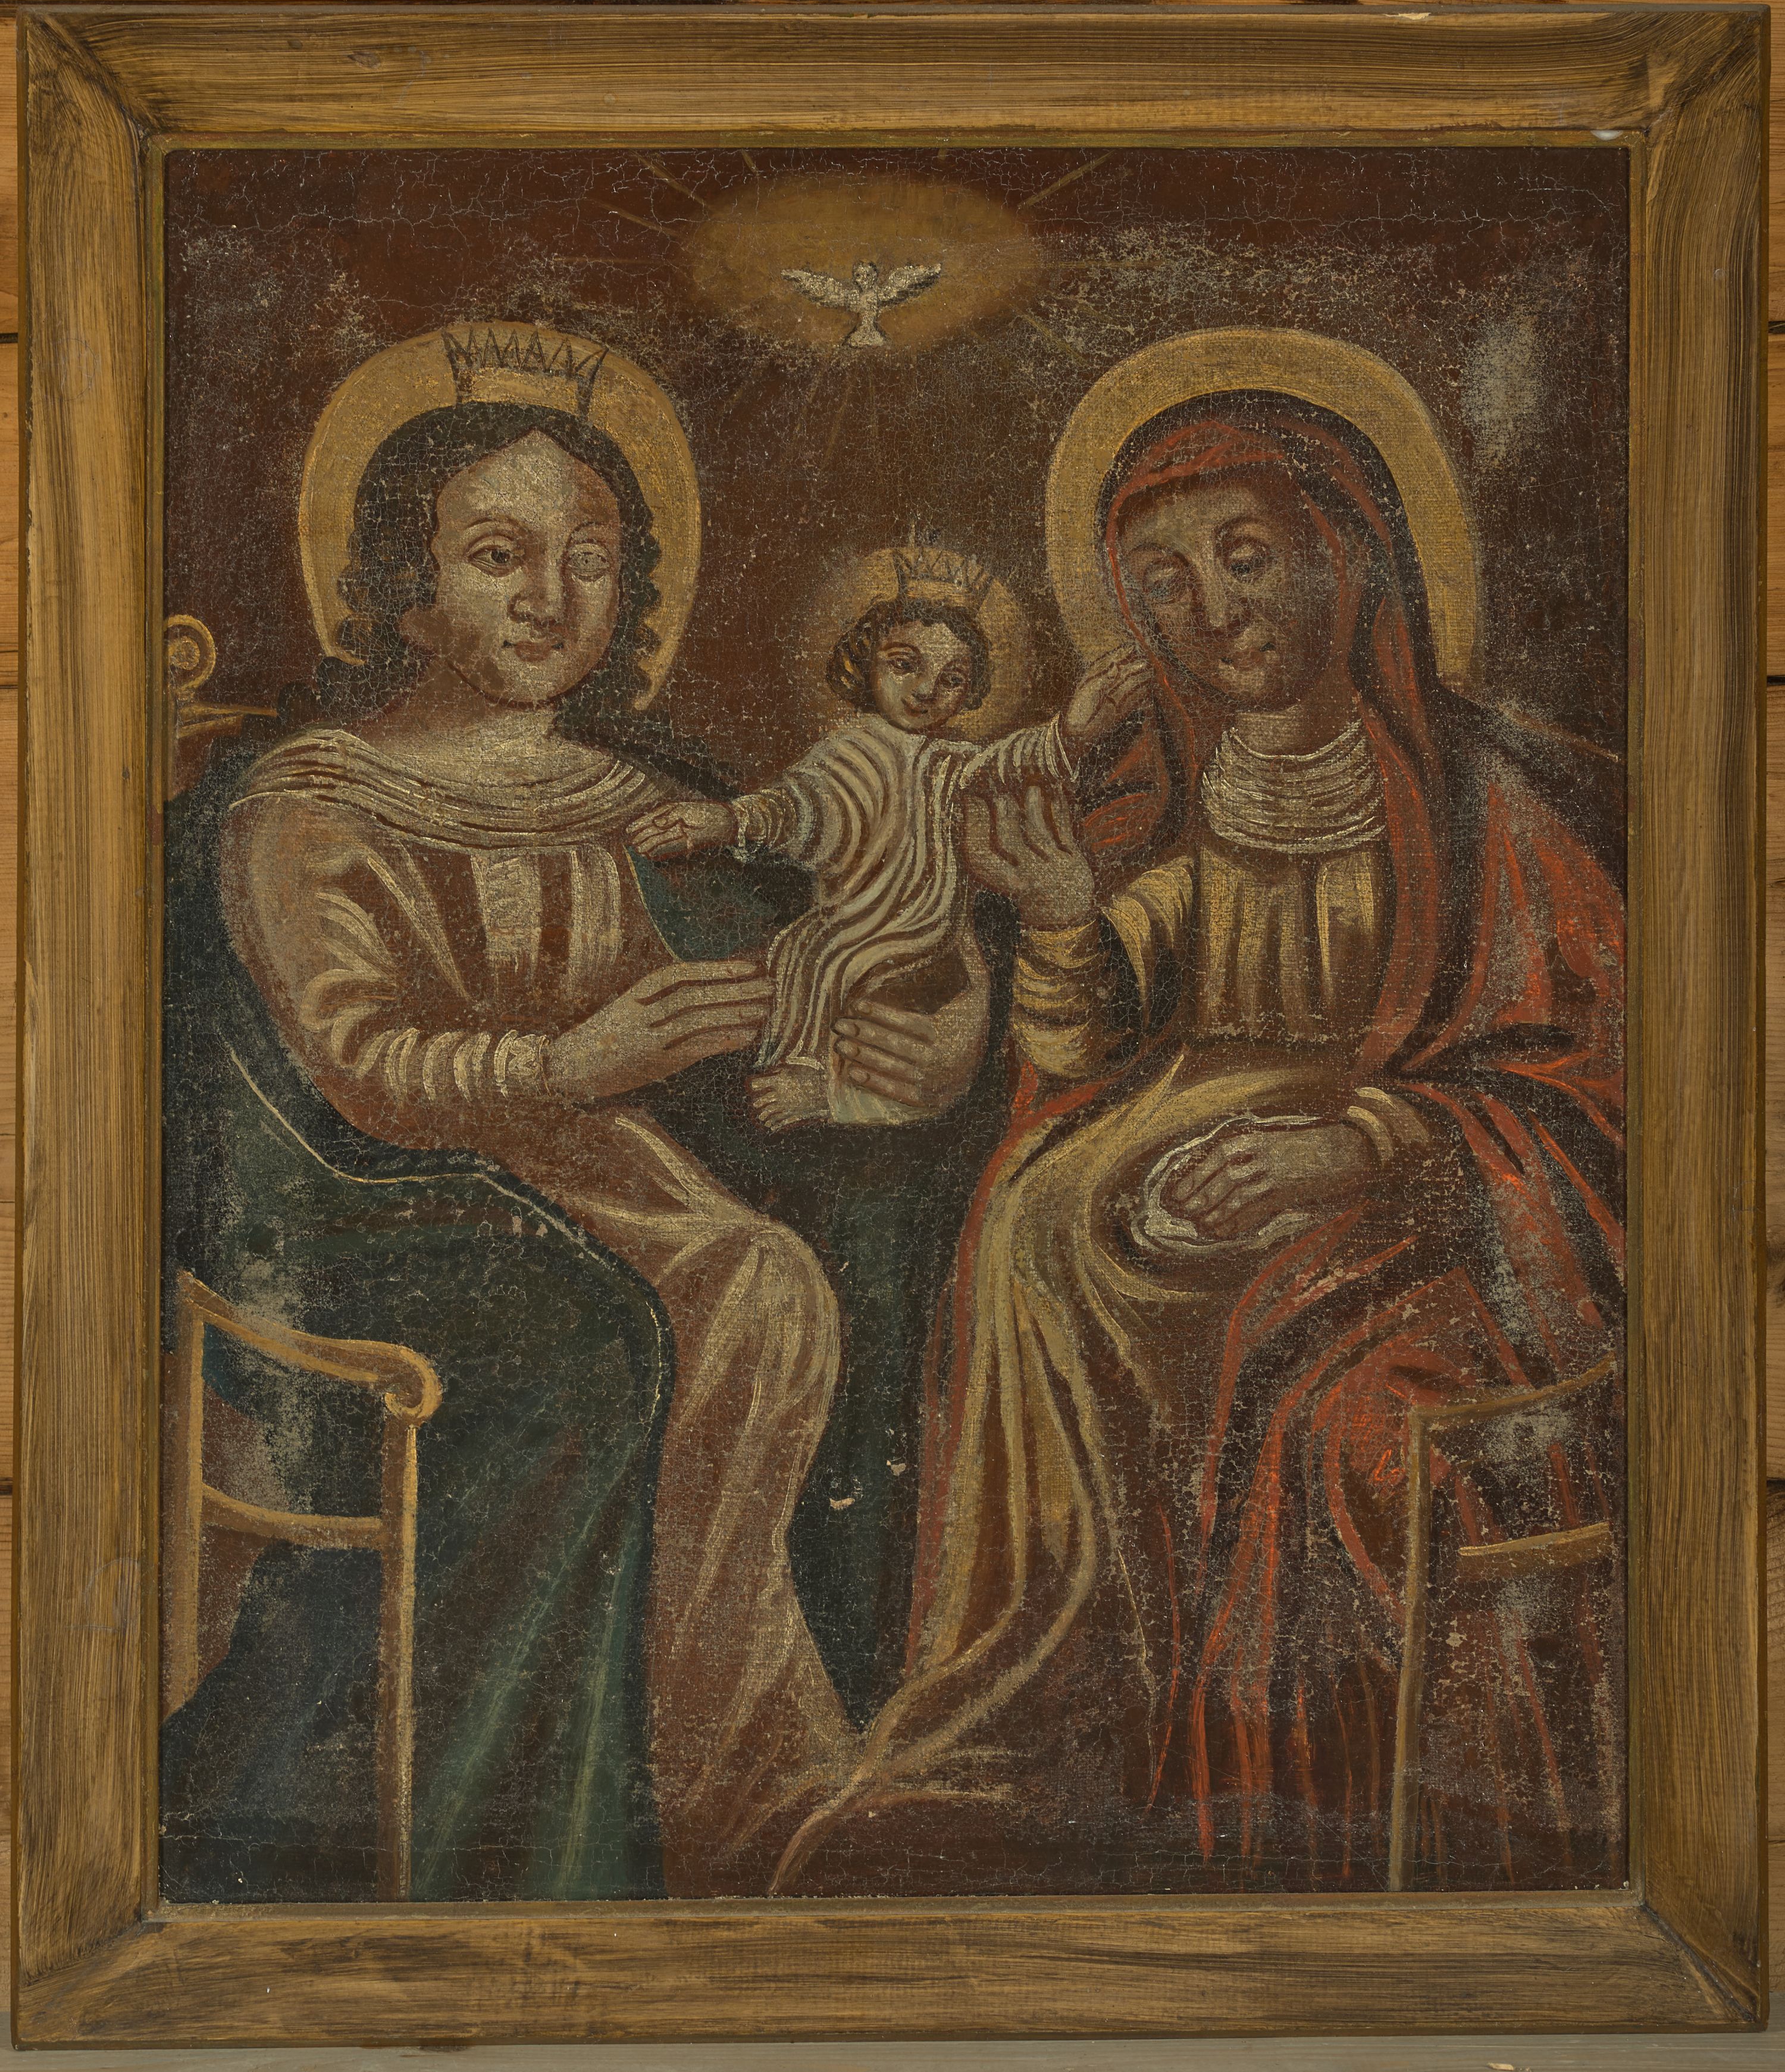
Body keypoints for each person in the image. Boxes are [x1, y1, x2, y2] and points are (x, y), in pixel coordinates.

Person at [776, 384, 1627, 1899]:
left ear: (1346, 552)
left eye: (1246, 555)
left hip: (1407, 1208)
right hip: (1198, 1141)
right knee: (1033, 1212)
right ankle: (1053, 1716)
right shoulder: (1174, 778)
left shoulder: (1486, 796)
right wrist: (1057, 915)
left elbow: (1586, 1084)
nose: (1212, 608)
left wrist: (1363, 1139)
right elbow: (1083, 1038)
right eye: (1164, 580)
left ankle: (1247, 1776)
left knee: (1260, 1344)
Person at [168, 341, 975, 1900]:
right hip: (384, 1202)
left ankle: (711, 1760)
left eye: (589, 559)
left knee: (784, 1274)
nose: (552, 597)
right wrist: (573, 1060)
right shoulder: (311, 804)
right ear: (405, 593)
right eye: (498, 556)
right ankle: (590, 1794)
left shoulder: (618, 795)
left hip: (590, 1165)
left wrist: (860, 1011)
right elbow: (355, 1064)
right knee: (663, 1318)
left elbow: (726, 970)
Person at [630, 543, 1145, 1132]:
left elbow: (1008, 767)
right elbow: (800, 809)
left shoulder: (957, 763)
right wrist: (729, 821)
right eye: (906, 665)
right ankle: (809, 1077)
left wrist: (1067, 734)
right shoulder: (848, 751)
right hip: (851, 919)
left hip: (930, 931)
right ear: (865, 663)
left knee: (908, 1011)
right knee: (810, 958)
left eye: (952, 679)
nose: (927, 690)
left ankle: (830, 1094)